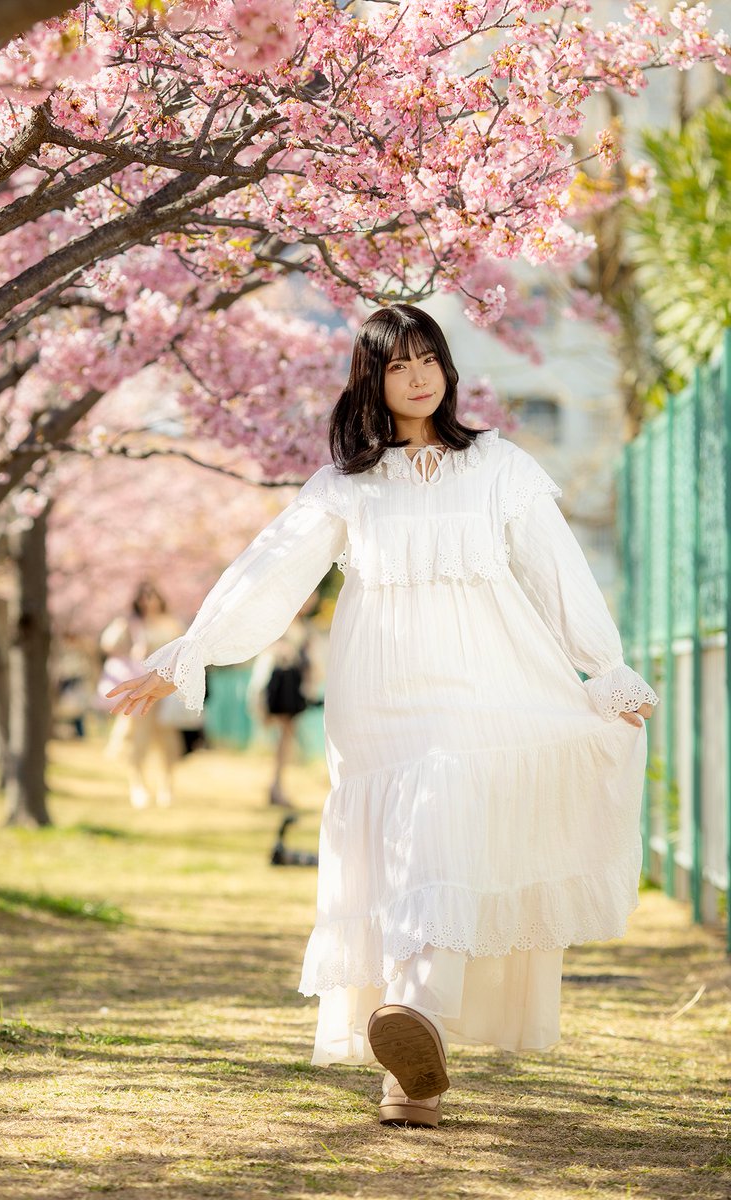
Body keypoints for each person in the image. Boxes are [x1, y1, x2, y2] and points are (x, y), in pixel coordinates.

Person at [106, 304, 658, 1129]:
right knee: (405, 856)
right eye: (399, 364)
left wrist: (605, 667)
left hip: (488, 681)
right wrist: (191, 649)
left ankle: (417, 1019)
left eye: (429, 357)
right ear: (373, 378)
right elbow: (273, 571)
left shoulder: (499, 466)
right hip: (382, 695)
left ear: (448, 368)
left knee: (442, 820)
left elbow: (556, 571)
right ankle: (411, 1076)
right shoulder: (345, 485)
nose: (419, 375)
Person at [100, 582, 186, 808]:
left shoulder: (171, 623)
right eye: (144, 596)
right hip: (141, 688)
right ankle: (138, 786)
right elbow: (107, 643)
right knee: (137, 740)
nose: (148, 601)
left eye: (152, 595)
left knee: (167, 741)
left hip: (165, 692)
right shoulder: (131, 624)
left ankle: (167, 786)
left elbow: (183, 653)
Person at [247, 593, 321, 808]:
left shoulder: (304, 627)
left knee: (286, 739)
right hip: (279, 686)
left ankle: (277, 786)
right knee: (281, 739)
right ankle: (275, 786)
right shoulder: (280, 622)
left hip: (292, 688)